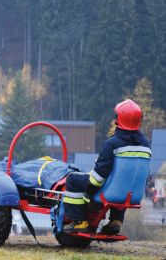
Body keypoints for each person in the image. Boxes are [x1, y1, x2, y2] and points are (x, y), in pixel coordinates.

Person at [63, 99, 150, 235]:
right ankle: (116, 221)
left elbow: (100, 175)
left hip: (110, 193)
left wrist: (89, 193)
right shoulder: (145, 145)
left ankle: (80, 222)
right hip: (133, 195)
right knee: (122, 183)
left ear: (118, 119)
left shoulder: (112, 144)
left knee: (73, 180)